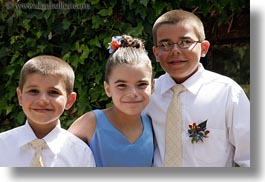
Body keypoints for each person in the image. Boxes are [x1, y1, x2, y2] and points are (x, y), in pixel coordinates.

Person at [143, 9, 250, 167]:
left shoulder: (227, 93)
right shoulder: (147, 94)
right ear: (156, 53)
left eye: (185, 42)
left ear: (204, 48)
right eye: (165, 44)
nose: (175, 50)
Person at [69, 35, 154, 167]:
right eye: (122, 85)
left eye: (141, 84)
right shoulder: (90, 124)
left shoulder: (152, 124)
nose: (132, 93)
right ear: (107, 89)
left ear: (152, 86)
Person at [0, 55, 95, 167]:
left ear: (69, 100)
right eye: (34, 91)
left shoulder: (80, 153)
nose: (42, 100)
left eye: (53, 92)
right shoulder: (2, 146)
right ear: (20, 97)